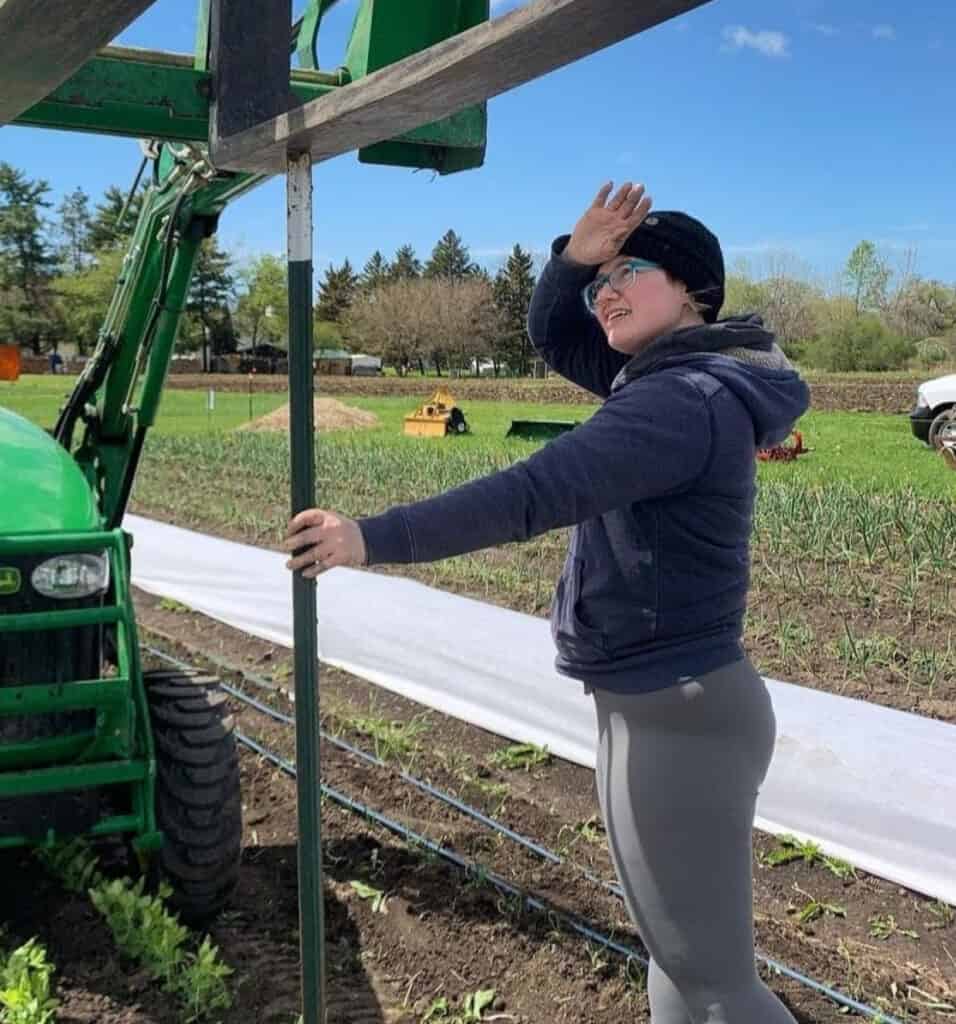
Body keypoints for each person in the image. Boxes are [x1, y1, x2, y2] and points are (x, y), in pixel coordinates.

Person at [284, 182, 809, 1023]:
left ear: (693, 294)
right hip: (662, 702)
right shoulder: (668, 375)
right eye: (604, 278)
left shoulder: (680, 402)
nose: (606, 290)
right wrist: (577, 259)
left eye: (630, 271)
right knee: (680, 969)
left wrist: (367, 538)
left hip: (677, 713)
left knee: (714, 988)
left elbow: (536, 491)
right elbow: (553, 332)